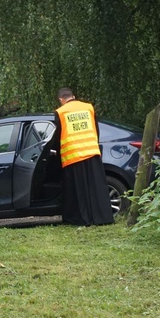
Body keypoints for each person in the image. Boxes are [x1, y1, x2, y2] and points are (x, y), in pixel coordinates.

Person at [51, 87, 114, 226]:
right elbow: (95, 129)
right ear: (73, 96)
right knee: (96, 188)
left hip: (73, 155)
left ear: (61, 99)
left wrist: (56, 152)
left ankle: (83, 219)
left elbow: (57, 136)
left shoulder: (61, 112)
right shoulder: (88, 107)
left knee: (78, 191)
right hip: (91, 151)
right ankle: (103, 218)